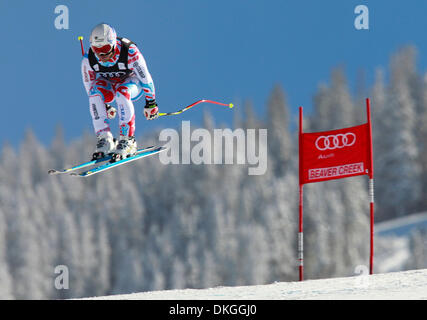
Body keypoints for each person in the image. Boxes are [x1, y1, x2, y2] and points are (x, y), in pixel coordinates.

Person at [81, 23, 159, 162]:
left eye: (105, 48)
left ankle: (127, 140)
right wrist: (105, 106)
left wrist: (151, 102)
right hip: (110, 84)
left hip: (132, 82)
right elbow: (89, 85)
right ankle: (105, 139)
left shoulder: (129, 52)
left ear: (112, 43)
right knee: (94, 93)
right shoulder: (89, 59)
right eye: (96, 49)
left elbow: (145, 77)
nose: (101, 54)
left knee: (122, 93)